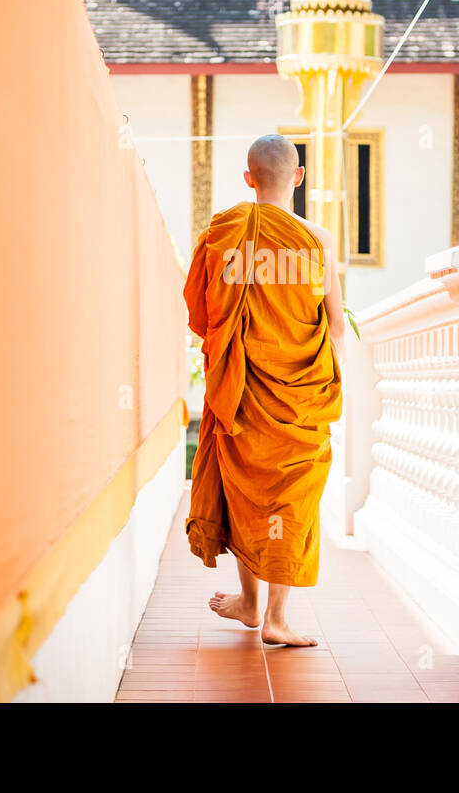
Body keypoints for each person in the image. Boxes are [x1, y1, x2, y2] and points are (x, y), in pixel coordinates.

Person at [183, 133, 345, 647]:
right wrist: (324, 382)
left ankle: (250, 603)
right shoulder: (317, 240)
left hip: (240, 391)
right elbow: (335, 323)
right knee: (290, 501)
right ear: (298, 177)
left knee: (242, 492)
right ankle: (272, 614)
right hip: (299, 393)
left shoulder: (222, 233)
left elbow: (202, 315)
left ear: (249, 178)